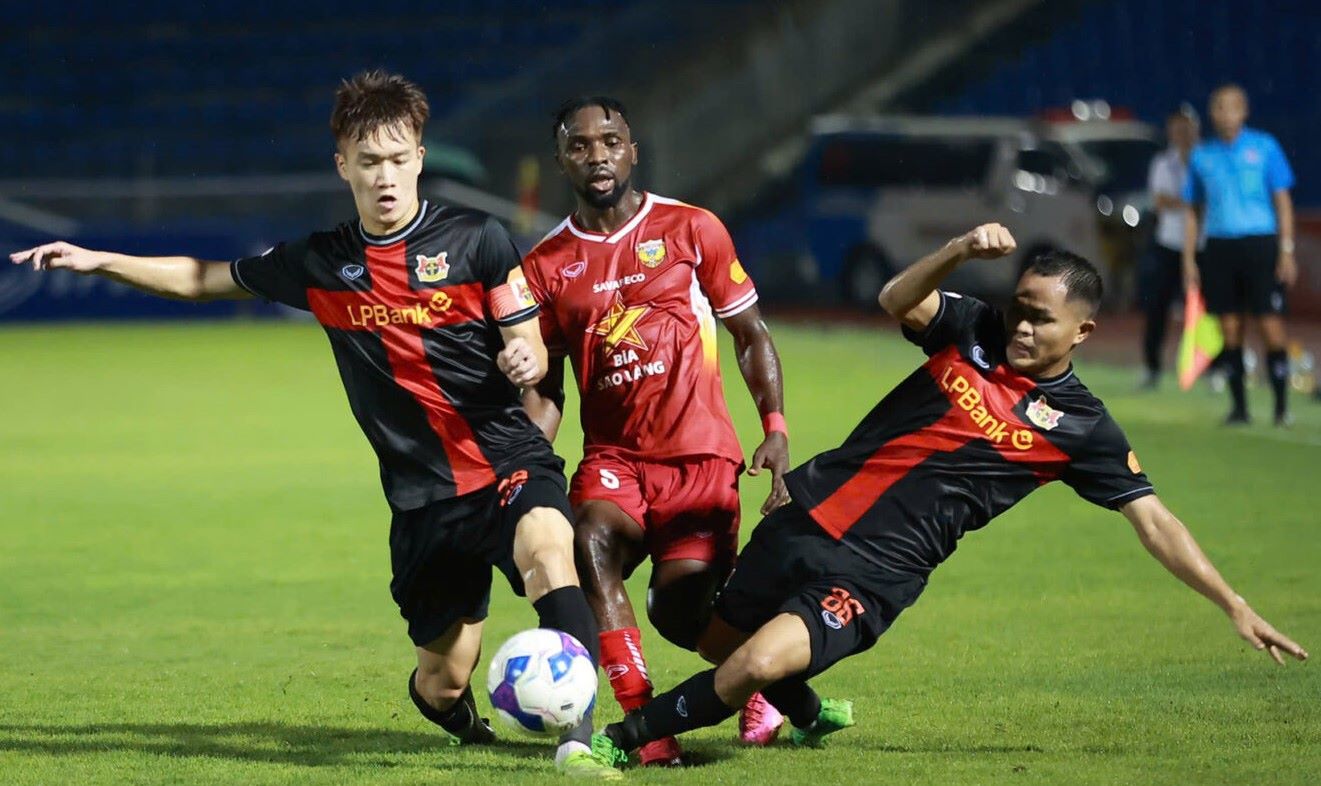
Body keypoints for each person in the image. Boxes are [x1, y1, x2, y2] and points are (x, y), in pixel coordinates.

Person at [9, 70, 621, 780]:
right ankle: (464, 724)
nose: (385, 176)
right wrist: (99, 261)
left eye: (398, 159)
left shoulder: (477, 240)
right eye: (369, 161)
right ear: (343, 166)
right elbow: (203, 278)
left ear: (420, 157)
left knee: (550, 552)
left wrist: (524, 354)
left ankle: (577, 742)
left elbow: (528, 341)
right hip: (423, 499)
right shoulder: (322, 263)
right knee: (442, 681)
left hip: (504, 458)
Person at [587, 224, 1308, 768]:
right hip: (809, 514)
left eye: (1042, 319)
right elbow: (894, 299)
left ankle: (624, 741)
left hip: (877, 572)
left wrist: (1233, 604)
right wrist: (959, 249)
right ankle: (807, 714)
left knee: (753, 666)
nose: (1022, 326)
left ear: (1083, 331)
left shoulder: (1083, 427)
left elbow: (1154, 522)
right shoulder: (974, 329)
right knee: (718, 646)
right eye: (1020, 308)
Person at [520, 97, 791, 765]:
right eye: (580, 145)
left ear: (632, 150)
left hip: (699, 454)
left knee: (679, 613)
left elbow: (750, 334)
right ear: (561, 161)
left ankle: (765, 682)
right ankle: (646, 727)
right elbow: (548, 387)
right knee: (590, 541)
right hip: (613, 457)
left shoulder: (691, 228)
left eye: (610, 141)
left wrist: (775, 426)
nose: (597, 155)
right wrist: (525, 461)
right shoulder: (546, 265)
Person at [1183, 84, 1297, 425]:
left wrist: (1286, 249)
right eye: (1219, 107)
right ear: (1211, 113)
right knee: (1229, 328)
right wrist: (1189, 258)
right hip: (1219, 247)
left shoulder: (1264, 147)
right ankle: (1239, 408)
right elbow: (1193, 211)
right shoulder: (1202, 156)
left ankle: (1281, 407)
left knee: (1270, 325)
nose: (1225, 114)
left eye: (1232, 107)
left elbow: (1282, 201)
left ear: (1244, 111)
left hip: (1260, 244)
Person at [1139, 108, 1199, 388]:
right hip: (1169, 243)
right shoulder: (1163, 163)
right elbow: (1160, 202)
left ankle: (1214, 368)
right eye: (1176, 129)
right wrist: (1190, 204)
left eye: (1186, 129)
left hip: (1201, 245)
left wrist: (1180, 202)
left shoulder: (1205, 160)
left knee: (1207, 310)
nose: (1181, 134)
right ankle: (1151, 367)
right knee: (1157, 307)